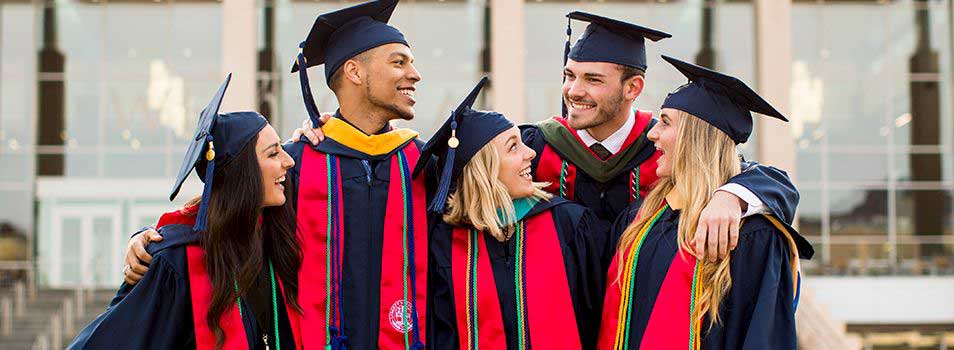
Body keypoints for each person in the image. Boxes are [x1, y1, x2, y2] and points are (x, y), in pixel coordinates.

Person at [122, 1, 430, 349]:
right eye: (399, 62)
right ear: (355, 72)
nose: (415, 74)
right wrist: (150, 240)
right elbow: (229, 213)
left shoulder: (425, 165)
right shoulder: (299, 163)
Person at [520, 12, 800, 261]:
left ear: (633, 88)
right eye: (570, 76)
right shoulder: (538, 146)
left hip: (637, 308)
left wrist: (731, 196)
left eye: (593, 79)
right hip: (559, 310)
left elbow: (765, 179)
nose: (574, 91)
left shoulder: (665, 146)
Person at [69, 75, 302, 350]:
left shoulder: (274, 238)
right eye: (274, 154)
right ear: (243, 173)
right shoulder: (176, 261)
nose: (289, 161)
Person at [596, 56, 814, 350]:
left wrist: (732, 196)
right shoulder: (638, 221)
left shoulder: (752, 235)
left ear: (696, 136)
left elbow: (763, 337)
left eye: (665, 123)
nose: (652, 134)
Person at [422, 77, 612, 350]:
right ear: (484, 170)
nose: (530, 153)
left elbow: (601, 324)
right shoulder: (445, 243)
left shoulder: (571, 226)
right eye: (514, 147)